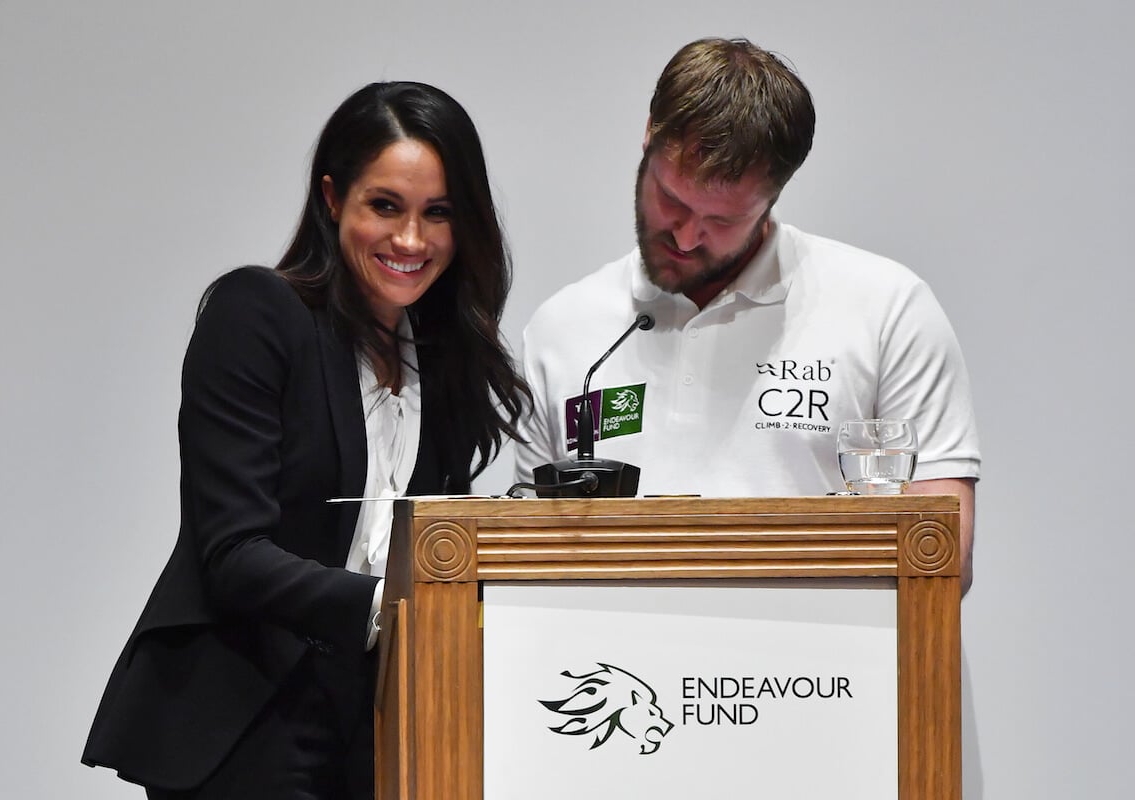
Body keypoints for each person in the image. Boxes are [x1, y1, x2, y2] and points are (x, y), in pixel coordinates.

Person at [83, 81, 530, 799]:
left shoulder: (446, 355)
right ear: (332, 199)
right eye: (385, 206)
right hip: (246, 711)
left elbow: (436, 533)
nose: (411, 240)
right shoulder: (257, 313)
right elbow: (232, 554)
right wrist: (394, 605)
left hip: (378, 712)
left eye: (438, 214)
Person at [514, 37, 980, 593]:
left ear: (775, 197)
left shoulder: (887, 310)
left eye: (721, 219)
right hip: (620, 671)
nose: (686, 237)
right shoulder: (563, 328)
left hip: (818, 677)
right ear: (647, 137)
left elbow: (940, 558)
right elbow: (524, 563)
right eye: (672, 200)